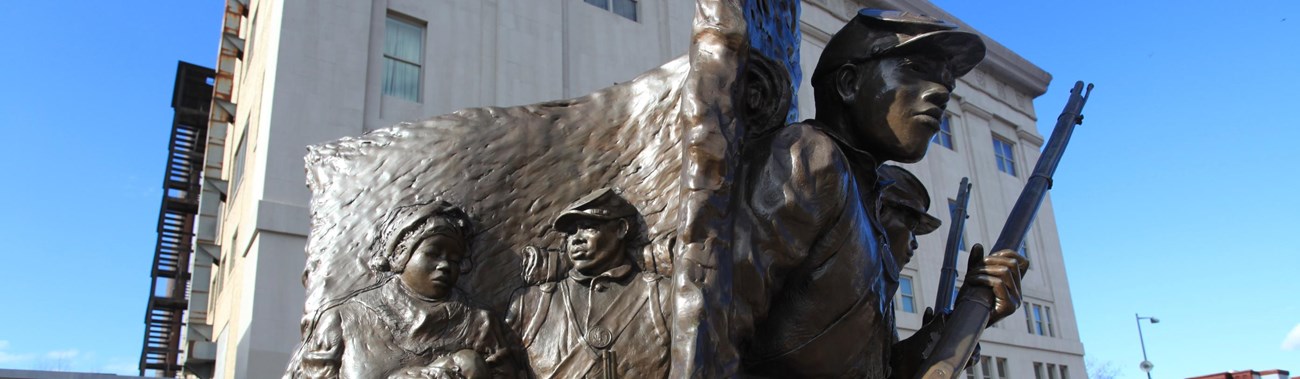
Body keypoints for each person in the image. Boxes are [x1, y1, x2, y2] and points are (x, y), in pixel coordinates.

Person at [732, 10, 1029, 378]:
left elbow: (877, 368)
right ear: (849, 82)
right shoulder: (810, 157)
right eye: (915, 69)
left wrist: (974, 311)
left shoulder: (868, 208)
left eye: (947, 85)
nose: (940, 93)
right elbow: (716, 326)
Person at [286, 201, 516, 379]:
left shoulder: (480, 323)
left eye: (454, 259)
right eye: (434, 253)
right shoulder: (343, 319)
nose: (445, 265)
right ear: (400, 255)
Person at [507, 189, 671, 379]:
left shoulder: (663, 296)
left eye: (589, 227)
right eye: (570, 232)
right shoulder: (529, 305)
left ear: (620, 229)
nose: (576, 239)